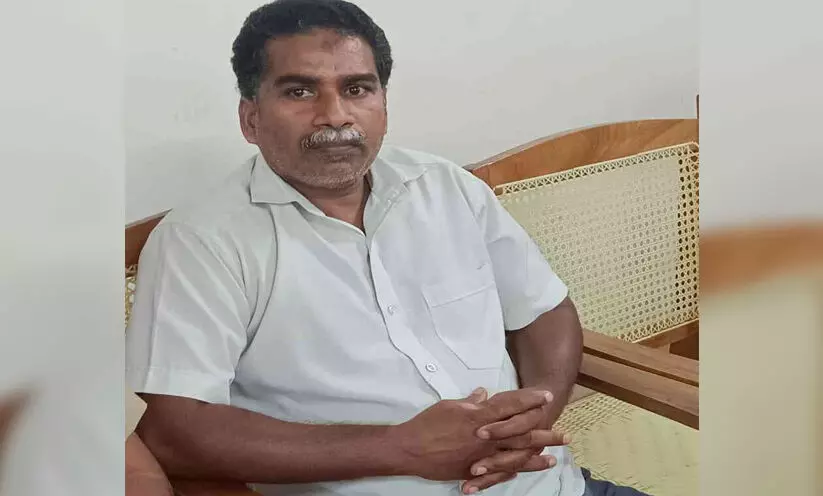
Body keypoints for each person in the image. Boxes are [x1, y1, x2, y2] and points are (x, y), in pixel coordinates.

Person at [126, 1, 648, 495]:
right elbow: (176, 432)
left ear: (382, 103)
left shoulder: (445, 187)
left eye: (357, 88)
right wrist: (400, 448)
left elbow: (544, 310)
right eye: (300, 92)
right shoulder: (203, 241)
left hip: (550, 486)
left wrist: (532, 419)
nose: (335, 116)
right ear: (251, 119)